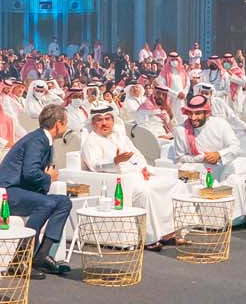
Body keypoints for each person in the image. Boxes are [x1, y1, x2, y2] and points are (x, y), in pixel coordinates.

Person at [78, 105, 187, 248]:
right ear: (93, 123)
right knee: (145, 192)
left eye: (107, 119)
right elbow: (95, 166)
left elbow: (138, 156)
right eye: (99, 120)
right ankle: (149, 239)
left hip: (138, 176)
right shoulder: (91, 142)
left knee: (176, 184)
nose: (104, 123)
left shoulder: (120, 137)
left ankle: (170, 233)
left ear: (113, 120)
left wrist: (144, 168)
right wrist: (115, 161)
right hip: (120, 181)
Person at [0, 103, 71, 277]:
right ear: (58, 124)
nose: (67, 126)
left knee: (63, 202)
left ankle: (42, 256)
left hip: (20, 191)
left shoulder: (44, 140)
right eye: (66, 122)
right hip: (5, 192)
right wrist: (48, 177)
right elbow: (30, 172)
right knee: (47, 203)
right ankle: (20, 260)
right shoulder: (37, 140)